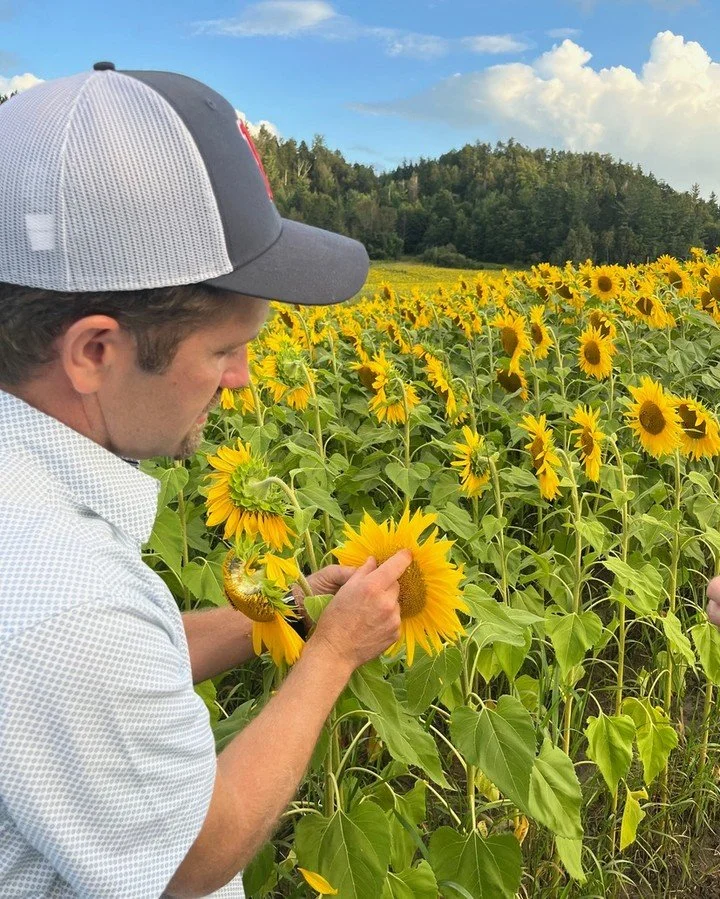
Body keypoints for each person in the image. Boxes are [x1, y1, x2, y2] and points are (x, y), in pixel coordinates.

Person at [0, 63, 412, 898]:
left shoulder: (37, 524)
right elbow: (188, 852)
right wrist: (330, 656)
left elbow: (119, 673)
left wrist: (290, 609)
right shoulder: (66, 600)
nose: (243, 380)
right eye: (224, 349)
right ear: (94, 352)